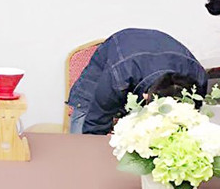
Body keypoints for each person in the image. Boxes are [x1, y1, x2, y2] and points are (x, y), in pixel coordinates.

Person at [67, 28, 207, 135]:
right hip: (115, 64)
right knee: (82, 146)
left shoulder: (199, 79)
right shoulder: (118, 76)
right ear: (146, 97)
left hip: (146, 58)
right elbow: (94, 126)